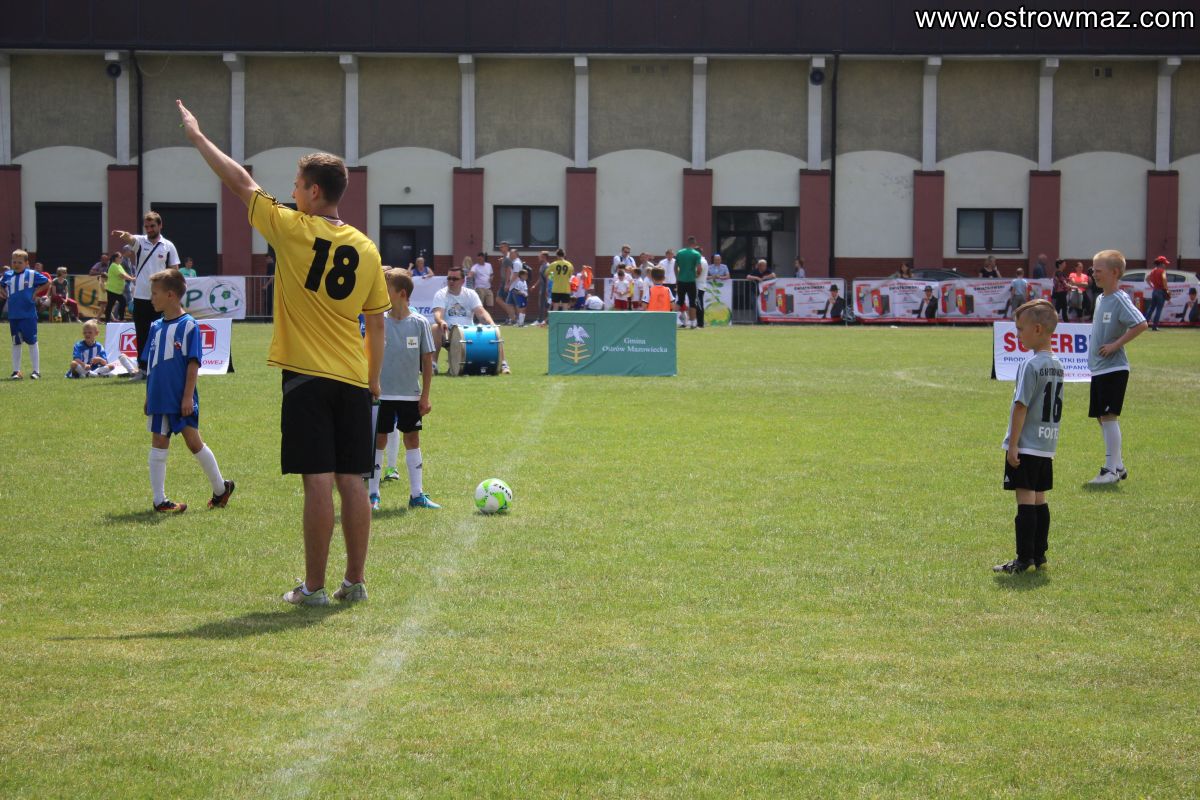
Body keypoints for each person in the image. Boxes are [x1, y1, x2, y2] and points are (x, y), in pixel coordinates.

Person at [180, 98, 387, 605]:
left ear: (314, 192)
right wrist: (373, 380)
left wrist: (198, 137)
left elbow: (240, 182)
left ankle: (313, 589)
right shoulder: (367, 247)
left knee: (317, 481)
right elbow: (377, 323)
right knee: (353, 481)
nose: (291, 194)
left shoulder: (292, 228)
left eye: (296, 186)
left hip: (306, 377)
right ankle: (355, 582)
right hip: (353, 378)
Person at [141, 269, 235, 514]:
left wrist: (186, 397)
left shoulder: (189, 325)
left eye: (155, 293)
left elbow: (193, 364)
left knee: (194, 443)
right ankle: (159, 500)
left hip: (180, 397)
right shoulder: (155, 327)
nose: (151, 298)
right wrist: (148, 395)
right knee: (158, 442)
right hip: (159, 396)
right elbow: (151, 364)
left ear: (170, 295)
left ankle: (220, 488)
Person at [995, 299, 1063, 573]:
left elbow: (1021, 405)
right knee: (1039, 499)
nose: (1017, 334)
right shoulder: (1057, 364)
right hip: (1046, 444)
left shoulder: (1031, 364)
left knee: (1024, 500)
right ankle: (1039, 554)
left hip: (1027, 445)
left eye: (1020, 329)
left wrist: (1013, 445)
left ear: (1037, 329)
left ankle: (1024, 559)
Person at [367, 268, 439, 512]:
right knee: (379, 440)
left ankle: (417, 494)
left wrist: (425, 396)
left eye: (386, 289)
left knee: (412, 439)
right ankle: (373, 495)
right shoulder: (380, 321)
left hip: (410, 395)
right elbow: (367, 354)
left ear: (402, 294)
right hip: (382, 394)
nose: (382, 293)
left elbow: (427, 361)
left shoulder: (419, 323)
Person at [1085, 249, 1148, 485]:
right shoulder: (1101, 298)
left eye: (1098, 270)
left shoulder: (1120, 299)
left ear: (1114, 272)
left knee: (1108, 416)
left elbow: (1140, 323)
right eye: (1092, 270)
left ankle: (1110, 471)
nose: (1094, 274)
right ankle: (1118, 466)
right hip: (1099, 368)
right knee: (1102, 417)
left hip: (1114, 368)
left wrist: (1115, 345)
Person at [112, 211, 181, 377]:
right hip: (140, 297)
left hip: (161, 299)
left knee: (162, 334)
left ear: (160, 225)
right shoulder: (141, 242)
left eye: (152, 226)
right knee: (141, 334)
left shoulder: (168, 246)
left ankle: (161, 367)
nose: (149, 229)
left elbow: (174, 270)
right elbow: (131, 239)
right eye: (147, 226)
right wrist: (125, 235)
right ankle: (142, 369)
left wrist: (173, 292)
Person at [430, 265, 510, 374]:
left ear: (462, 281)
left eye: (454, 279)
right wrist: (441, 321)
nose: (451, 281)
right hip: (448, 334)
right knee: (435, 328)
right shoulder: (441, 294)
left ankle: (503, 363)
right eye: (449, 278)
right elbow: (438, 313)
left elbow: (481, 312)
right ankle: (433, 365)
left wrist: (491, 323)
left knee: (495, 330)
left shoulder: (470, 294)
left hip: (469, 335)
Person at [2, 250, 49, 379]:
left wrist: (36, 292)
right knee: (16, 343)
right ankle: (16, 371)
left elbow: (47, 282)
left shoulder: (32, 274)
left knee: (32, 342)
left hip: (28, 315)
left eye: (19, 262)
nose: (16, 265)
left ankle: (36, 371)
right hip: (14, 316)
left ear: (27, 263)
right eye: (14, 262)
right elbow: (1, 284)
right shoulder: (8, 275)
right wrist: (3, 293)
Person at [67, 318, 137, 378]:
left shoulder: (99, 346)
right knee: (73, 364)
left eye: (90, 332)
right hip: (82, 368)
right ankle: (93, 375)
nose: (87, 334)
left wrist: (99, 359)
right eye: (85, 333)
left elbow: (105, 362)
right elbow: (76, 359)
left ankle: (90, 375)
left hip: (95, 370)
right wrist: (84, 365)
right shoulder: (79, 345)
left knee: (111, 366)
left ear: (96, 333)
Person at [674, 236, 702, 329]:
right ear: (694, 243)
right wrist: (697, 275)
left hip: (681, 280)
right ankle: (693, 323)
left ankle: (671, 319)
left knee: (680, 301)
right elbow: (699, 268)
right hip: (691, 280)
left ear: (687, 243)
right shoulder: (696, 253)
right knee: (692, 302)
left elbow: (675, 267)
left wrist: (677, 277)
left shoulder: (680, 252)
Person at [104, 252, 136, 322]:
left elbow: (125, 273)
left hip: (117, 290)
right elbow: (122, 275)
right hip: (112, 289)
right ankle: (109, 320)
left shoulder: (118, 265)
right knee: (112, 304)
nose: (122, 258)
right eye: (120, 257)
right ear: (116, 258)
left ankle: (119, 319)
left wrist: (131, 278)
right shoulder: (114, 266)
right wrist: (132, 279)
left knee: (120, 303)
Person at [1145, 255, 1170, 331]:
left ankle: (1144, 325)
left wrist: (1152, 286)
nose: (1165, 265)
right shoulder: (1162, 271)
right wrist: (1167, 290)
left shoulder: (1153, 271)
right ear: (1161, 264)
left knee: (1151, 308)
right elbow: (1164, 280)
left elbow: (1147, 279)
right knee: (1159, 309)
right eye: (1165, 263)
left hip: (1155, 291)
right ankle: (1154, 326)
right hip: (1161, 291)